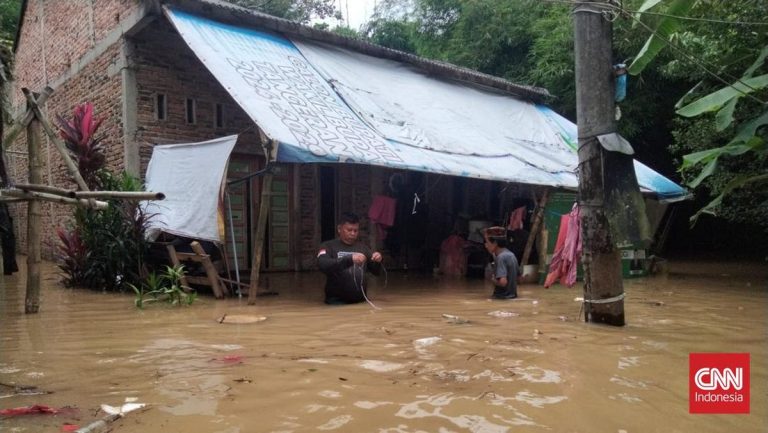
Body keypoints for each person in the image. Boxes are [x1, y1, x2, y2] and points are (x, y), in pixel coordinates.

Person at [317, 212, 383, 304]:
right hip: (336, 301)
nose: (353, 233)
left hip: (360, 302)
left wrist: (378, 260)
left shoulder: (363, 248)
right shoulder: (328, 246)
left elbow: (376, 272)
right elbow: (323, 264)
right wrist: (349, 259)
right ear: (339, 229)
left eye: (356, 230)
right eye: (349, 230)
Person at [483, 226, 518, 299]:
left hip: (501, 298)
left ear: (495, 243)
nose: (486, 245)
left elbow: (503, 282)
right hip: (512, 297)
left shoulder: (501, 258)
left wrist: (492, 279)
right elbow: (520, 278)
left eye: (487, 242)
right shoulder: (511, 255)